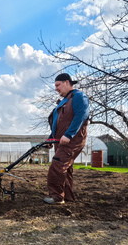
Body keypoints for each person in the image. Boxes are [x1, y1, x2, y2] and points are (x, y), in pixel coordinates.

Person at [44, 73, 89, 205]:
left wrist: (69, 134)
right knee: (65, 168)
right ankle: (67, 197)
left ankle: (57, 197)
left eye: (58, 85)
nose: (56, 89)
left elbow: (81, 115)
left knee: (57, 165)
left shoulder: (79, 96)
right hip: (61, 140)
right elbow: (58, 123)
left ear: (67, 82)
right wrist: (50, 138)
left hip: (71, 140)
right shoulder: (64, 101)